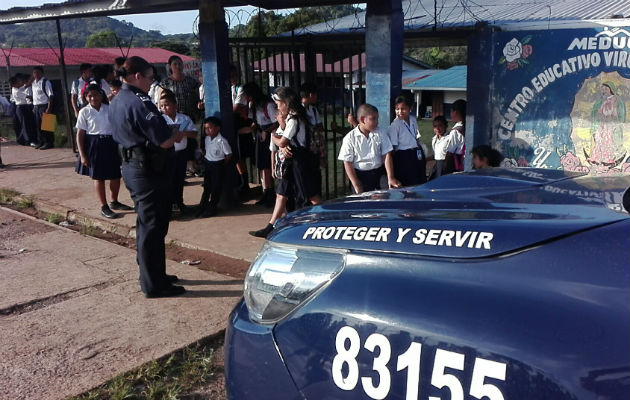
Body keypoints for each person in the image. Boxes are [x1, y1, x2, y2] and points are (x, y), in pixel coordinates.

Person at [109, 56, 186, 298]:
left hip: (133, 165)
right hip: (147, 169)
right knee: (153, 226)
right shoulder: (139, 101)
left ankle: (154, 273)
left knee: (147, 224)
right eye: (150, 77)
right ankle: (154, 284)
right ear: (138, 76)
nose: (153, 82)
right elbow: (163, 139)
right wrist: (174, 134)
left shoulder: (118, 98)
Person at [249, 87, 323, 238]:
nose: (277, 108)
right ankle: (271, 225)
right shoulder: (292, 117)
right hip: (293, 159)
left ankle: (326, 221)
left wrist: (273, 136)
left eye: (278, 104)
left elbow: (283, 142)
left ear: (285, 102)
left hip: (300, 160)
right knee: (281, 193)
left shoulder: (294, 118)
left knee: (310, 195)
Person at [75, 83, 133, 219]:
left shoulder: (109, 108)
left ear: (101, 95)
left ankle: (114, 201)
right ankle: (104, 206)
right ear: (85, 97)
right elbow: (80, 134)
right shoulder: (85, 111)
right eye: (89, 96)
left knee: (115, 175)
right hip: (94, 144)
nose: (93, 98)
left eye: (95, 94)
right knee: (98, 176)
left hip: (111, 143)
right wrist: (82, 154)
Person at [338, 104, 401, 194]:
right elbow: (347, 162)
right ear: (362, 119)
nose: (377, 122)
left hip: (379, 172)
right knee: (362, 200)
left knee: (392, 190)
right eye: (373, 119)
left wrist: (390, 177)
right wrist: (356, 183)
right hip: (361, 175)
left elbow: (387, 155)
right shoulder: (350, 138)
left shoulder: (380, 133)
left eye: (377, 119)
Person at [158, 89, 198, 215]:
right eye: (162, 105)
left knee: (179, 179)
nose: (164, 108)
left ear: (175, 105)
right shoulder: (160, 119)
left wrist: (184, 133)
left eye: (167, 104)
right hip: (166, 154)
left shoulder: (184, 118)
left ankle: (179, 202)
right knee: (168, 180)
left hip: (180, 153)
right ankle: (169, 205)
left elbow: (194, 133)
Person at [242, 82, 278, 207]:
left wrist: (266, 131)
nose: (246, 98)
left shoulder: (268, 105)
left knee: (267, 164)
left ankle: (270, 192)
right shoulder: (253, 105)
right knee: (262, 165)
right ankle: (266, 191)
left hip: (268, 135)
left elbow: (276, 122)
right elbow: (254, 121)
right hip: (259, 134)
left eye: (247, 95)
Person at [387, 95, 427, 186]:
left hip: (415, 153)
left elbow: (416, 136)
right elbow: (393, 148)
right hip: (403, 156)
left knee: (420, 179)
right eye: (397, 109)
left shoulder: (413, 120)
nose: (400, 111)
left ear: (410, 108)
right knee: (408, 182)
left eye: (403, 109)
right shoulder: (395, 125)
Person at [196, 117, 232, 218]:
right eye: (206, 128)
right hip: (208, 164)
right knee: (207, 187)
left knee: (216, 188)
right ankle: (202, 207)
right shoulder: (206, 139)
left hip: (218, 165)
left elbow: (228, 154)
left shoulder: (222, 141)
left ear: (217, 128)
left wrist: (221, 164)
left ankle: (212, 208)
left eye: (210, 128)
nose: (207, 130)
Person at [30, 66, 55, 150]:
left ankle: (49, 143)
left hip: (44, 105)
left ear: (42, 73)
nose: (35, 74)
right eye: (34, 73)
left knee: (47, 126)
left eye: (37, 72)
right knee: (38, 126)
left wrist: (49, 108)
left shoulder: (45, 82)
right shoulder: (33, 83)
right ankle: (41, 142)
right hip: (36, 106)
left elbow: (51, 95)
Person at [10, 74, 37, 147]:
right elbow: (28, 96)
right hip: (21, 108)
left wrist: (30, 81)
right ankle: (28, 141)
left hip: (23, 107)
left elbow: (24, 87)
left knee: (28, 124)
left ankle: (29, 139)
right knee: (25, 125)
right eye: (18, 82)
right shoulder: (16, 91)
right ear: (14, 84)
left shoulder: (16, 89)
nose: (20, 83)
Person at [449, 99, 467, 172]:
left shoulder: (455, 131)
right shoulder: (468, 127)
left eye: (451, 111)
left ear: (455, 112)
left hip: (458, 165)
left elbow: (450, 151)